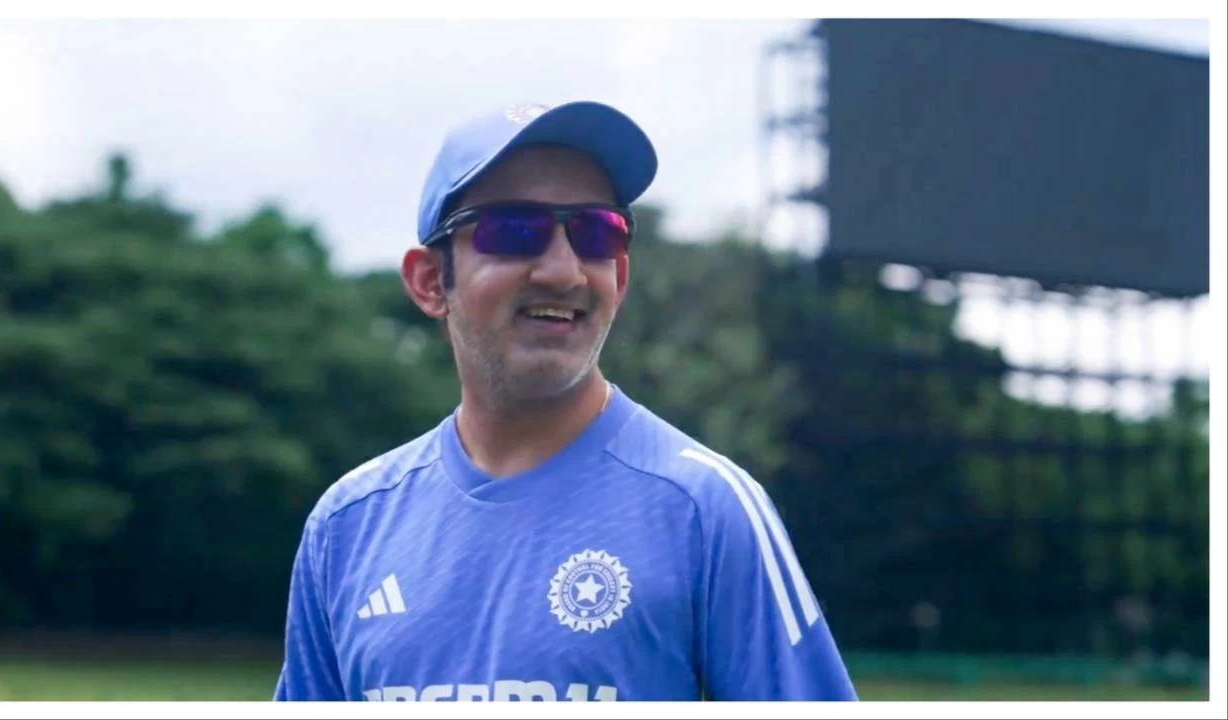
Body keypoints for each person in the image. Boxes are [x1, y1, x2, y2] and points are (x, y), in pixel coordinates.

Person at [272, 100, 858, 702]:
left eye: (595, 232)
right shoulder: (348, 525)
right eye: (514, 229)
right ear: (429, 281)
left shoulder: (705, 509)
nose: (563, 270)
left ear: (620, 277)